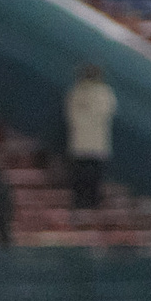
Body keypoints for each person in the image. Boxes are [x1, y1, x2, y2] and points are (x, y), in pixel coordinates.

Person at [64, 62, 115, 208]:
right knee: (89, 176)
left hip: (83, 143)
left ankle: (85, 202)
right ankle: (89, 202)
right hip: (93, 143)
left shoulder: (77, 92)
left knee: (84, 176)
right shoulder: (101, 93)